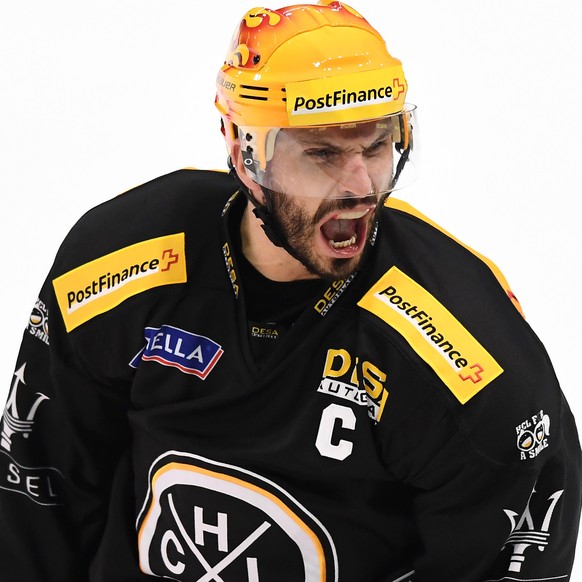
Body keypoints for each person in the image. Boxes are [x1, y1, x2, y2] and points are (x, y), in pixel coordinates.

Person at [0, 1, 580, 580]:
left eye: (376, 146)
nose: (360, 187)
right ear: (243, 152)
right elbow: (38, 496)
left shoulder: (470, 359)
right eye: (322, 152)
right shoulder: (116, 267)